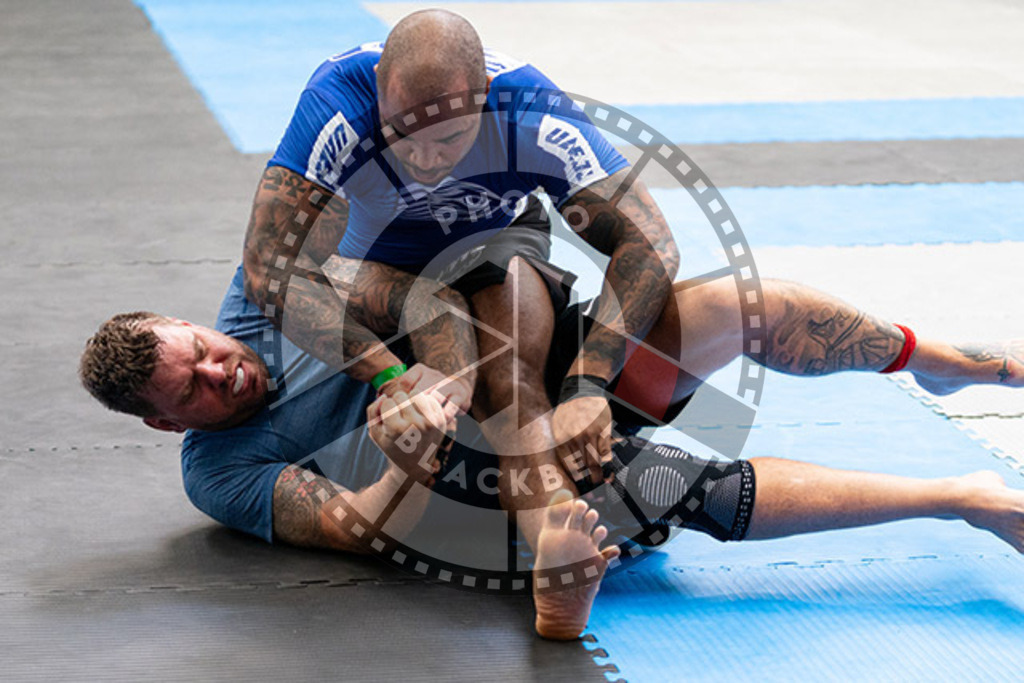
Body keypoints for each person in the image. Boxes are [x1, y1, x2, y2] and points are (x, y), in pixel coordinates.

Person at [80, 262, 1024, 640]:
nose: (224, 370)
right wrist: (411, 445)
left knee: (746, 304)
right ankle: (962, 496)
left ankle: (938, 361)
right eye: (195, 388)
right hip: (481, 485)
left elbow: (428, 286)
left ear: (192, 320)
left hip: (528, 372)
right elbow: (359, 530)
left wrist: (429, 376)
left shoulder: (259, 292)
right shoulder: (219, 475)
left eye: (204, 346)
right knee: (683, 489)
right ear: (167, 423)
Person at [237, 8, 681, 573]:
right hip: (377, 271)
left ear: (484, 96)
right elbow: (266, 266)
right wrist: (384, 372)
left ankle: (559, 560)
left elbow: (652, 244)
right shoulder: (338, 101)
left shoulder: (529, 112)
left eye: (448, 138)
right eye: (402, 135)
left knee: (511, 383)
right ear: (378, 93)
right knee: (437, 402)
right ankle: (589, 509)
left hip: (491, 248)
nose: (425, 160)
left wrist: (589, 382)